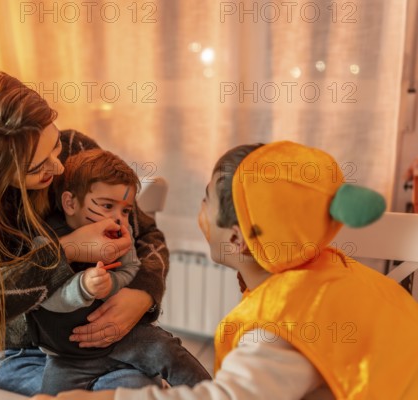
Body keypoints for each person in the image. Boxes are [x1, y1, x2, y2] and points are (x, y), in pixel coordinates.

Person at [35, 141, 418, 399]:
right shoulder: (331, 270)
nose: (200, 212)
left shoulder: (283, 327)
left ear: (235, 238)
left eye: (205, 201)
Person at [0, 71, 170, 396]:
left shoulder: (75, 149)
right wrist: (62, 252)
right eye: (37, 167)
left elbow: (147, 235)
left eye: (55, 143)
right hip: (19, 353)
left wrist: (144, 295)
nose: (59, 167)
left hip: (98, 335)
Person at [29, 149, 211, 394]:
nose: (120, 219)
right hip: (67, 356)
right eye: (107, 206)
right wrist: (81, 287)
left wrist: (113, 282)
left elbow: (132, 267)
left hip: (126, 339)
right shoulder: (47, 243)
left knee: (166, 348)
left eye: (125, 211)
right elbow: (43, 297)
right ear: (70, 203)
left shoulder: (118, 238)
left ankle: (216, 393)